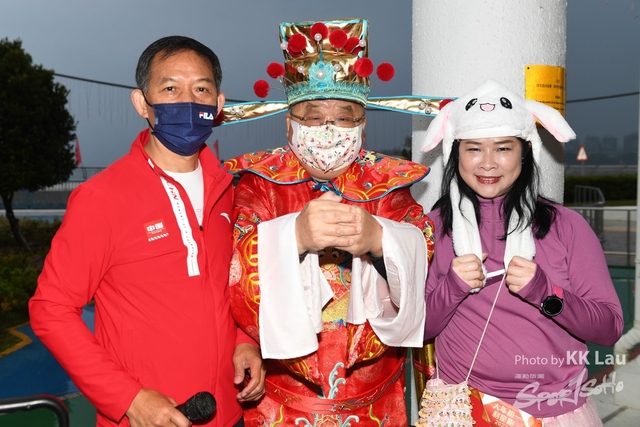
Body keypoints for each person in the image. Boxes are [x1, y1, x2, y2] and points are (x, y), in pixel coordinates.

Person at [29, 35, 265, 427]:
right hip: (149, 417)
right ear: (142, 104)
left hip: (229, 412)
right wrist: (128, 398)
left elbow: (234, 284)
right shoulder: (102, 197)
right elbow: (51, 309)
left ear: (219, 104)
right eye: (170, 89)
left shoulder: (229, 191)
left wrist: (245, 342)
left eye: (201, 89)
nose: (188, 101)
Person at [221, 18, 436, 426]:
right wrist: (294, 236)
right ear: (289, 124)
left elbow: (424, 246)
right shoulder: (260, 184)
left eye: (344, 117)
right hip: (282, 401)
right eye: (313, 116)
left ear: (363, 126)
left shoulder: (386, 184)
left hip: (375, 401)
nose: (328, 130)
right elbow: (231, 265)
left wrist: (381, 240)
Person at [419, 80, 624, 426]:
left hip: (555, 412)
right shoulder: (433, 227)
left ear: (525, 151)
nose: (488, 164)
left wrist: (547, 294)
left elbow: (609, 328)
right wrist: (452, 287)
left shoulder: (567, 227)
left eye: (503, 148)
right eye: (473, 149)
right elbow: (417, 329)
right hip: (462, 410)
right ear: (454, 152)